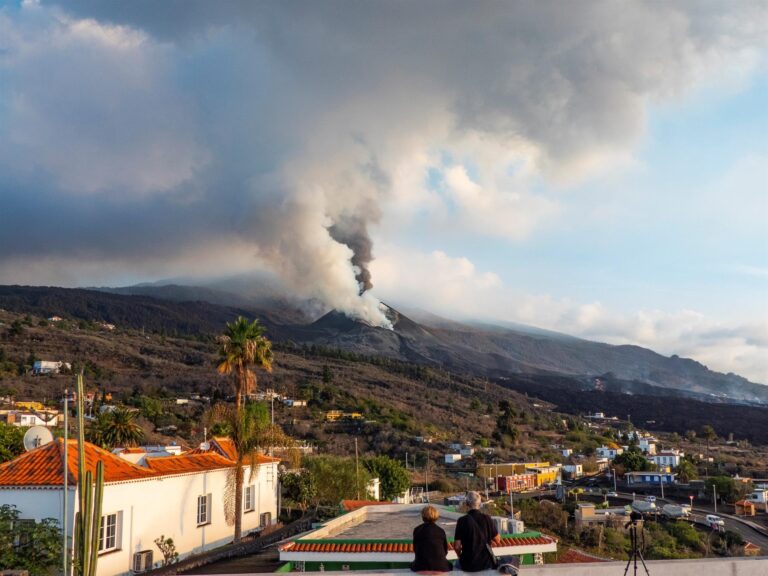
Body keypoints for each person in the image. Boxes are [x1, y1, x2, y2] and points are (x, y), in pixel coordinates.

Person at [453, 491, 501, 572]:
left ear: (467, 504)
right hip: (486, 563)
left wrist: (460, 556)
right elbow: (497, 540)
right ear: (479, 504)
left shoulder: (462, 521)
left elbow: (457, 546)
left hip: (468, 564)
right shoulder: (487, 519)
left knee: (455, 567)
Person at [411, 505, 453, 572]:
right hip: (441, 566)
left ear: (423, 517)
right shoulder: (441, 531)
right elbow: (445, 551)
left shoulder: (417, 530)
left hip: (421, 566)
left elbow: (415, 549)